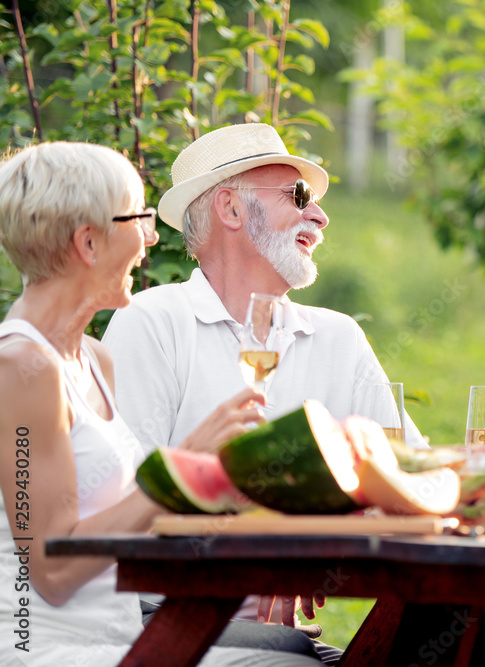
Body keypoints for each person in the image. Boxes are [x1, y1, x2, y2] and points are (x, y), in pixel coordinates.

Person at [101, 123, 423, 662]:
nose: (320, 216)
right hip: (169, 628)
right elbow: (121, 509)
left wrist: (301, 536)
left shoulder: (338, 337)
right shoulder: (153, 324)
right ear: (231, 208)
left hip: (288, 640)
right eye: (298, 197)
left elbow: (404, 479)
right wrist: (269, 538)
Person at [0, 141, 322, 666]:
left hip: (116, 639)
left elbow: (122, 521)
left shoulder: (94, 361)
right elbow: (52, 571)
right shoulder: (21, 370)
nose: (152, 236)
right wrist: (178, 467)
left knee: (300, 655)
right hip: (43, 651)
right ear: (88, 242)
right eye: (138, 217)